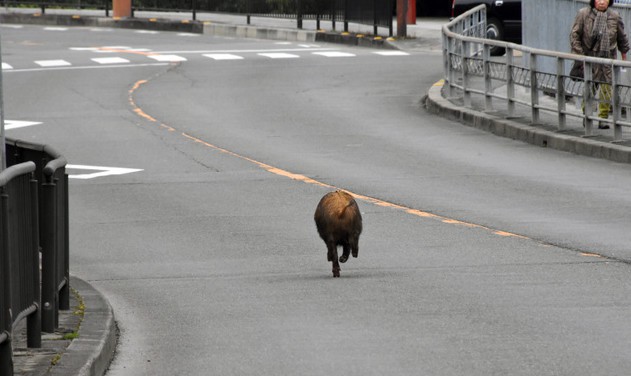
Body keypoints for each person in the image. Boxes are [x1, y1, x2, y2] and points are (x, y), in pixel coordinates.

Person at [570, 0, 630, 129]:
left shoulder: (614, 16)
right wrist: (580, 55)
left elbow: (621, 36)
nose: (602, 2)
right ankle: (587, 114)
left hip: (608, 59)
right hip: (589, 58)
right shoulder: (583, 14)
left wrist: (623, 53)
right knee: (589, 87)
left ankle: (603, 118)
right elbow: (574, 34)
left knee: (606, 89)